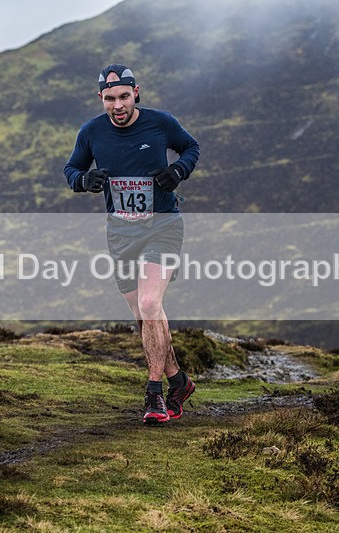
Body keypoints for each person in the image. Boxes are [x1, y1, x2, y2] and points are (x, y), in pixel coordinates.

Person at [64, 64, 200, 425]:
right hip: (121, 233)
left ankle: (154, 394)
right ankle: (179, 381)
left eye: (124, 96)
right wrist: (85, 179)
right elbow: (71, 170)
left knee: (150, 302)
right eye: (110, 99)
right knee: (144, 317)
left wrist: (177, 172)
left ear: (136, 92)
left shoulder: (160, 123)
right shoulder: (91, 132)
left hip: (163, 226)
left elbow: (190, 147)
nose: (118, 105)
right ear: (101, 99)